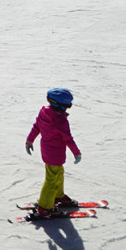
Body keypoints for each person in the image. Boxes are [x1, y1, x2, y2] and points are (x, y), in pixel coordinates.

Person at [24, 87, 82, 218]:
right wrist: (76, 153)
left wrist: (29, 140)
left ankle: (58, 195)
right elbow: (68, 138)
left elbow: (37, 126)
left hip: (47, 150)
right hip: (55, 153)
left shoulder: (44, 111)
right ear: (59, 105)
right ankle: (45, 208)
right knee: (51, 179)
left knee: (58, 173)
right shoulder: (60, 121)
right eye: (67, 106)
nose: (67, 108)